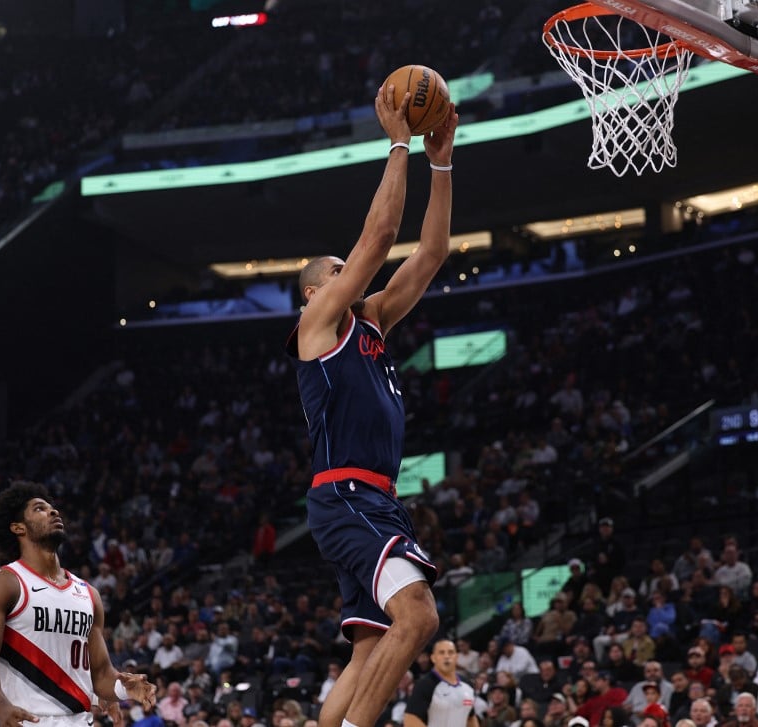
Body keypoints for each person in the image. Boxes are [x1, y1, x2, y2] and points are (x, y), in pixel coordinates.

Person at [286, 84, 458, 727]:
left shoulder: (374, 321)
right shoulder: (319, 324)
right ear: (312, 295)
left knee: (370, 647)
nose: (348, 277)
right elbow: (382, 233)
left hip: (376, 498)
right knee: (419, 616)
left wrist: (443, 160)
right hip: (346, 494)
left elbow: (433, 252)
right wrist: (398, 142)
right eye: (337, 271)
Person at [0, 481, 156, 727]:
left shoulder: (89, 594)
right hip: (23, 720)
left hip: (78, 720)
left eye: (52, 508)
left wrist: (124, 689)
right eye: (39, 509)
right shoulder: (5, 584)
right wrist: (0, 706)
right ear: (18, 528)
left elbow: (100, 674)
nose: (53, 512)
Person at [404, 640, 478, 727]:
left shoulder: (467, 685)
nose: (446, 656)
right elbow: (410, 719)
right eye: (441, 653)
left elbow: (471, 717)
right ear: (433, 658)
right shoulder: (424, 684)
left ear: (456, 657)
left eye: (450, 652)